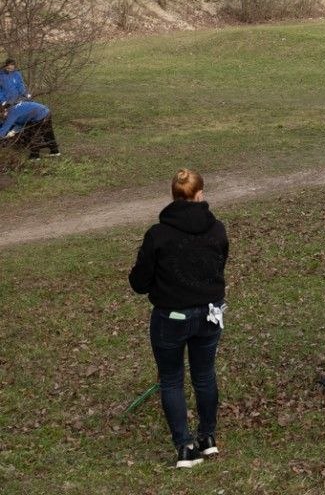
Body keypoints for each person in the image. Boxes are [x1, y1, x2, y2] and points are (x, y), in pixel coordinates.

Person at [129, 169, 229, 469]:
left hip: (171, 317)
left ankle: (185, 447)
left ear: (174, 197)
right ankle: (207, 438)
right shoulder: (218, 229)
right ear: (199, 195)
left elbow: (139, 282)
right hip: (209, 314)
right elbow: (219, 265)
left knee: (172, 380)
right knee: (204, 375)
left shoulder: (158, 235)